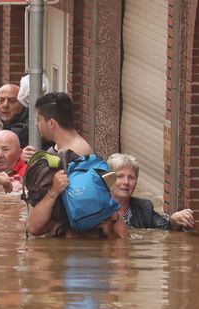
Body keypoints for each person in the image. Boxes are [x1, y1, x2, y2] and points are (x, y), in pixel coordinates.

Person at [25, 92, 129, 239]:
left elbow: (33, 227)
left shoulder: (78, 155)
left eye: (38, 119)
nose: (36, 124)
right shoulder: (59, 150)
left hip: (77, 249)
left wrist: (52, 191)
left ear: (51, 123)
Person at [107, 153, 195, 230]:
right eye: (120, 176)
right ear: (109, 180)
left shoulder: (145, 208)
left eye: (131, 177)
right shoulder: (97, 208)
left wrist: (173, 222)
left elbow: (165, 229)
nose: (126, 182)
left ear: (136, 182)